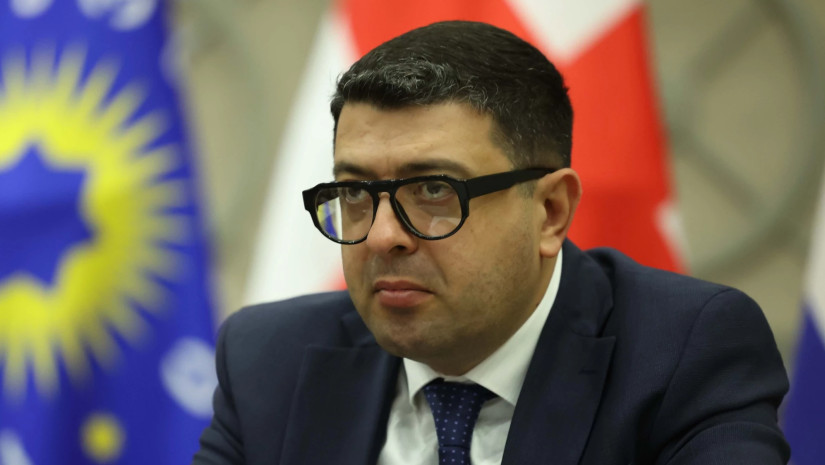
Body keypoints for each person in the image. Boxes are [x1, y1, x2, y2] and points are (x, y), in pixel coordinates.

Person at [193, 21, 789, 465]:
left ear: (551, 212)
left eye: (433, 190)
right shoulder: (268, 358)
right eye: (353, 193)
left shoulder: (684, 354)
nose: (381, 236)